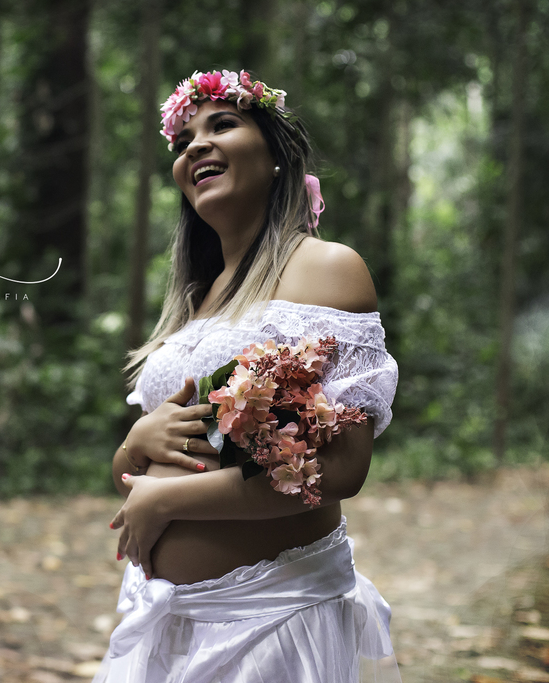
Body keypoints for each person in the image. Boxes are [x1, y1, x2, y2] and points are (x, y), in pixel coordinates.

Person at [93, 70, 402, 682]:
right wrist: (135, 443)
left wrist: (167, 499)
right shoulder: (195, 300)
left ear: (276, 155)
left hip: (271, 623)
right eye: (183, 141)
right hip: (166, 620)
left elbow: (342, 469)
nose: (196, 146)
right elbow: (136, 473)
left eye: (223, 125)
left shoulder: (326, 269)